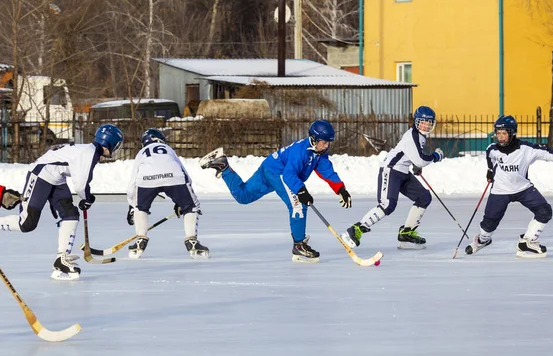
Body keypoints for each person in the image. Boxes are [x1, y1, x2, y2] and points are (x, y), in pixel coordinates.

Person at [200, 119, 352, 263]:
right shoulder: (301, 152)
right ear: (314, 139)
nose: (326, 146)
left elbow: (327, 171)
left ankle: (223, 167)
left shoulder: (319, 153)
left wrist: (341, 189)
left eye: (328, 143)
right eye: (324, 142)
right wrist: (301, 191)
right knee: (298, 205)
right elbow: (289, 175)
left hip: (270, 166)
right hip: (278, 172)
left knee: (243, 196)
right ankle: (299, 245)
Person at [0, 124, 124, 280]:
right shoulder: (89, 153)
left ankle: (61, 259)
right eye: (116, 145)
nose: (116, 148)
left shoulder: (89, 151)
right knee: (27, 223)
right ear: (109, 143)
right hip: (41, 175)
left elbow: (81, 180)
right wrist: (87, 198)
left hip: (56, 178)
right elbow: (81, 184)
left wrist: (86, 197)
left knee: (70, 214)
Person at [465, 115, 553, 258]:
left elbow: (546, 153)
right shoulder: (492, 149)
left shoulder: (526, 148)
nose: (500, 137)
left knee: (544, 211)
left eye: (504, 133)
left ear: (512, 133)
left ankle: (528, 241)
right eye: (498, 133)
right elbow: (490, 160)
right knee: (489, 223)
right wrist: (490, 172)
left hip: (523, 188)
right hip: (500, 190)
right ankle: (482, 240)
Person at [341, 106, 444, 250]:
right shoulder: (412, 136)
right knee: (388, 204)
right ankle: (356, 230)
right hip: (391, 170)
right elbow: (420, 159)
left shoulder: (420, 136)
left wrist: (415, 164)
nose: (426, 125)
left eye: (429, 122)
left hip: (402, 172)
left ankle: (406, 233)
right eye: (423, 122)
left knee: (424, 197)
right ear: (416, 122)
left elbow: (413, 156)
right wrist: (435, 156)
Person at [126, 128, 208, 259]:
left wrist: (132, 206)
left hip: (146, 179)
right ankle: (192, 241)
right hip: (174, 176)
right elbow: (185, 175)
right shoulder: (168, 149)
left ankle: (140, 239)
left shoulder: (141, 152)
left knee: (140, 208)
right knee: (192, 207)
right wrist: (182, 201)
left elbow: (132, 184)